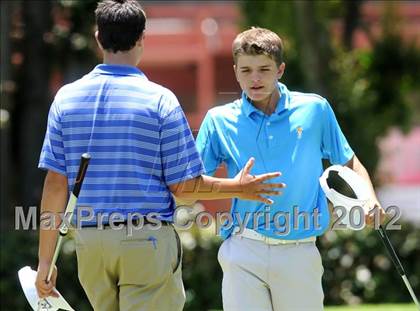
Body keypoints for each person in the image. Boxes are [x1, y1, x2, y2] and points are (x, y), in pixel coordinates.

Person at [34, 3, 285, 310]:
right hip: (145, 239)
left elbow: (56, 185)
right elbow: (183, 187)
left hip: (91, 244)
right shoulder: (160, 100)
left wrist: (45, 261)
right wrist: (238, 187)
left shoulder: (65, 99)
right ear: (142, 38)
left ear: (98, 38)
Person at [195, 27, 385, 311]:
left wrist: (370, 199)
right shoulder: (218, 120)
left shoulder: (315, 109)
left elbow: (350, 162)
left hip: (300, 250)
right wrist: (234, 188)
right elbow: (193, 182)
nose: (255, 78)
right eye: (245, 70)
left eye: (264, 69)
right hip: (244, 247)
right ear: (235, 72)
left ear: (280, 69)